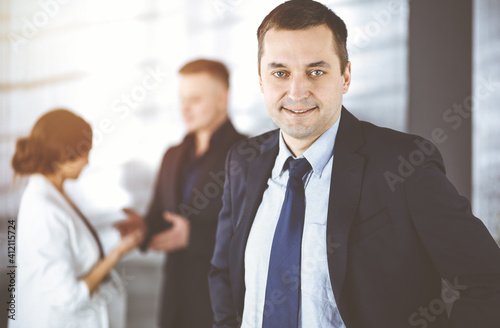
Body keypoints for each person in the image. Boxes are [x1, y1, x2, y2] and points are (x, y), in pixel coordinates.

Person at [208, 1, 500, 328]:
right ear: (261, 80)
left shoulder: (405, 166)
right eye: (280, 73)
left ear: (345, 76)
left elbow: (489, 284)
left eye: (316, 71)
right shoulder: (242, 162)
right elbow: (224, 273)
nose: (297, 91)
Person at [115, 59, 245, 328]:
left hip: (221, 306)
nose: (184, 108)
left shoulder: (249, 154)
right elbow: (159, 216)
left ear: (223, 98)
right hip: (175, 302)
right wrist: (143, 227)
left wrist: (193, 236)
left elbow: (254, 234)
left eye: (195, 99)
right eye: (181, 99)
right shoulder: (172, 156)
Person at [10, 109, 144, 328]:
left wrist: (115, 238)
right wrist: (118, 252)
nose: (88, 162)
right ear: (64, 158)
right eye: (85, 154)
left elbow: (71, 250)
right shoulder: (44, 209)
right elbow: (68, 297)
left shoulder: (54, 194)